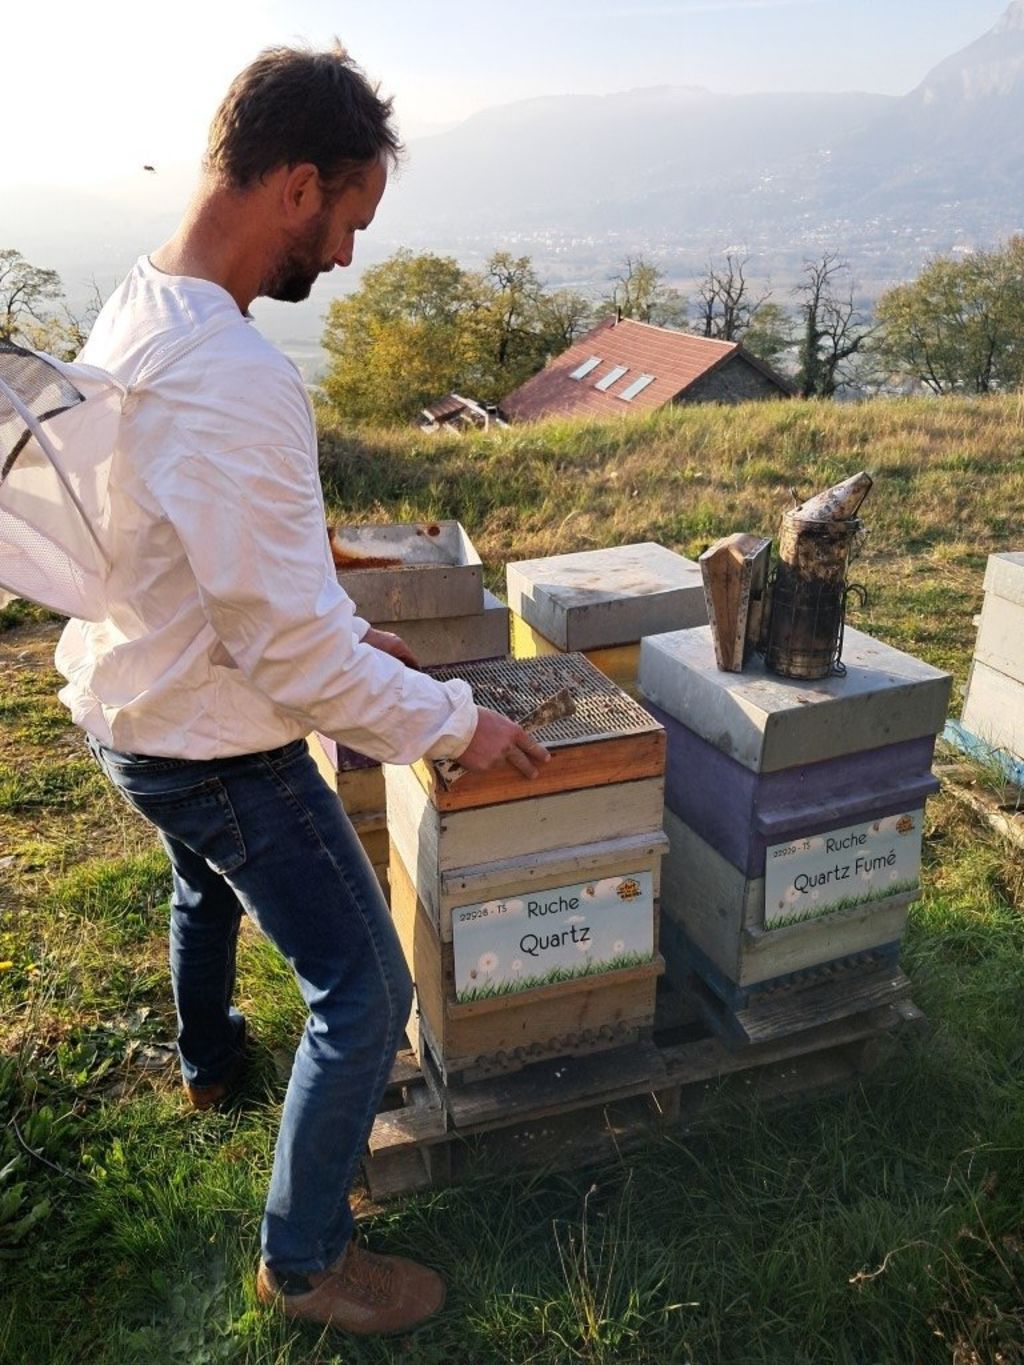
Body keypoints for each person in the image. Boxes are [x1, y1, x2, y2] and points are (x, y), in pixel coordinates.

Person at [56, 44, 549, 1336]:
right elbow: (286, 657)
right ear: (292, 184)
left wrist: (351, 636)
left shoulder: (138, 309)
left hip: (132, 699)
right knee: (365, 988)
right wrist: (458, 721)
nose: (345, 257)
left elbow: (221, 564)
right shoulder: (238, 379)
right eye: (347, 219)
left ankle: (211, 1063)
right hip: (212, 737)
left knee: (197, 878)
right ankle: (306, 1256)